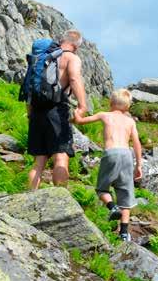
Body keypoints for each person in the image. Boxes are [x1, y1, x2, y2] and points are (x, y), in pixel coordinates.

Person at [73, 88, 142, 241]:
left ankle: (112, 207)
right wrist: (139, 166)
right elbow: (136, 144)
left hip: (111, 153)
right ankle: (124, 233)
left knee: (102, 188)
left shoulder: (105, 115)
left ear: (111, 103)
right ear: (128, 106)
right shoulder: (130, 122)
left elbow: (80, 121)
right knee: (126, 196)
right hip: (127, 155)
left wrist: (77, 113)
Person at [28, 29, 87, 189]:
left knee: (39, 162)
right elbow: (74, 78)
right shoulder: (70, 57)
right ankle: (62, 201)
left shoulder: (43, 57)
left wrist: (30, 113)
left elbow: (31, 86)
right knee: (61, 156)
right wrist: (82, 105)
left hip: (36, 110)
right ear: (76, 45)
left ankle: (30, 198)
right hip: (57, 110)